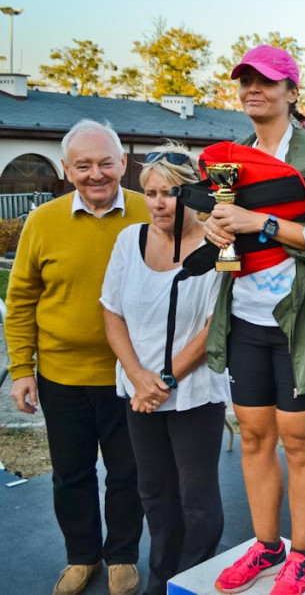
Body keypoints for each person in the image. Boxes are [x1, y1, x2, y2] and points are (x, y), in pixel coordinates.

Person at [202, 45, 305, 595]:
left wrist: (258, 222)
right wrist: (218, 228)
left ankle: (302, 556)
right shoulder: (229, 155)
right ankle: (266, 547)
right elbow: (222, 222)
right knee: (256, 436)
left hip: (299, 324)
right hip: (242, 318)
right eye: (244, 81)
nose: (251, 90)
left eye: (264, 80)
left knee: (298, 442)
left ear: (291, 90)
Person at [5, 119, 148, 595]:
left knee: (128, 474)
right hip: (62, 376)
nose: (96, 173)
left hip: (129, 377)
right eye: (83, 165)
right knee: (72, 475)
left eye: (106, 162)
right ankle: (82, 556)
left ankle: (122, 555)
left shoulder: (152, 215)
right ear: (66, 170)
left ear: (123, 164)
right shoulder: (43, 222)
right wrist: (22, 369)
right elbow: (21, 298)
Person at [100, 143, 230, 595]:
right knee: (154, 492)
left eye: (170, 192)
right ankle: (161, 579)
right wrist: (138, 376)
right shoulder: (127, 241)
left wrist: (165, 380)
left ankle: (192, 582)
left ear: (194, 194)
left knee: (197, 499)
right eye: (150, 192)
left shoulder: (218, 247)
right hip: (139, 392)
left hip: (193, 393)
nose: (157, 202)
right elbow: (111, 312)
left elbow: (214, 327)